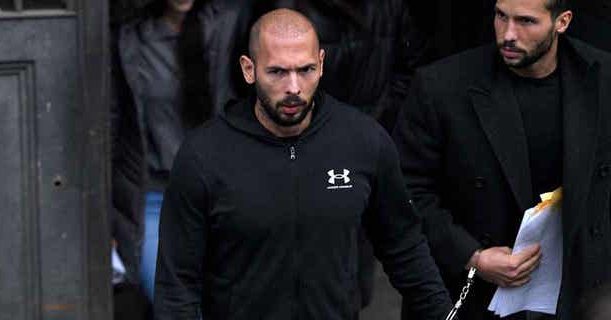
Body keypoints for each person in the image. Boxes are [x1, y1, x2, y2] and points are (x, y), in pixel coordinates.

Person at [154, 8, 452, 320]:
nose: (294, 88)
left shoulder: (362, 141)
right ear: (248, 69)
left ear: (322, 63)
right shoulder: (204, 155)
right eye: (278, 72)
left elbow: (404, 247)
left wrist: (443, 314)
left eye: (306, 70)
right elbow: (177, 285)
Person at [393, 0, 611, 319]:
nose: (508, 34)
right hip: (474, 292)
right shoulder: (442, 86)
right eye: (500, 16)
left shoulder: (601, 78)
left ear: (561, 22)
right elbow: (404, 188)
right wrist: (472, 256)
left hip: (575, 289)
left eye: (525, 21)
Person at [110, 0, 212, 307]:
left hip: (217, 192)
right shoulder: (132, 39)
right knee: (168, 297)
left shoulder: (227, 25)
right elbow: (111, 126)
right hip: (155, 193)